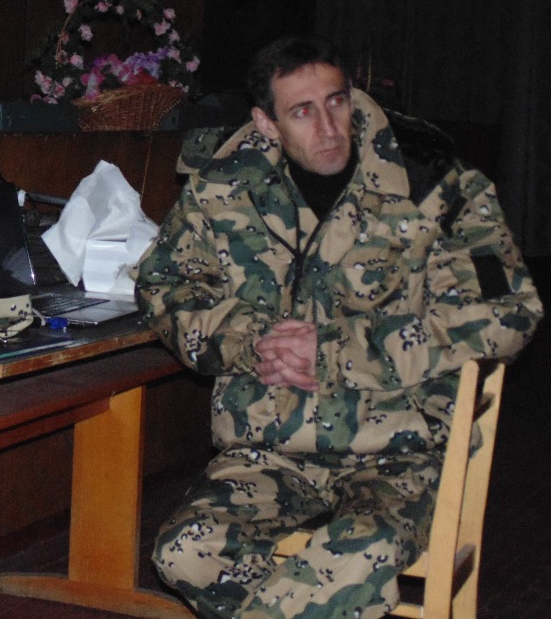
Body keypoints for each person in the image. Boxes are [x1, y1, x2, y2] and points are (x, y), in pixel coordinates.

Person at [135, 33, 541, 619]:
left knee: (355, 553)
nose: (328, 128)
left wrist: (335, 352)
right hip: (268, 446)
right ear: (266, 122)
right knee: (184, 553)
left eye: (337, 102)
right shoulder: (224, 186)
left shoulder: (432, 179)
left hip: (399, 447)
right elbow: (163, 285)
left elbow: (508, 312)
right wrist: (249, 340)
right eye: (302, 112)